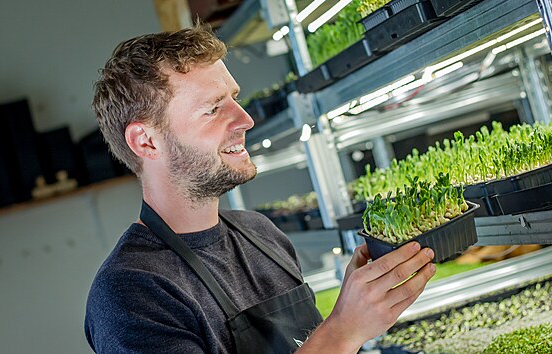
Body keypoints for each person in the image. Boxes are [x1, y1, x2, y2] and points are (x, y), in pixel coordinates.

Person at [84, 24, 436, 354]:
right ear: (145, 141)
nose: (245, 120)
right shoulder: (130, 293)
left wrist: (361, 307)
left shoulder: (260, 233)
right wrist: (344, 329)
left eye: (234, 98)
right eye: (212, 109)